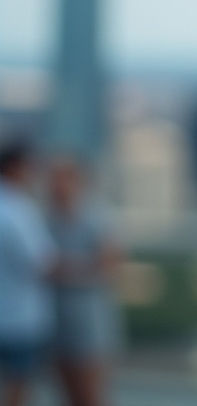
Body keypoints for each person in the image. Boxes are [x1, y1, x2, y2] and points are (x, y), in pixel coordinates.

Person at [46, 156, 121, 406]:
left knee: (90, 397)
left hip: (91, 323)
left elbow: (109, 267)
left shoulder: (96, 216)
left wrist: (61, 268)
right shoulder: (47, 218)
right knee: (67, 395)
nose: (55, 185)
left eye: (62, 178)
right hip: (58, 320)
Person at [0, 141, 56, 406]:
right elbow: (42, 264)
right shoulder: (19, 209)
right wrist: (94, 268)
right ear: (16, 167)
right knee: (17, 389)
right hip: (18, 321)